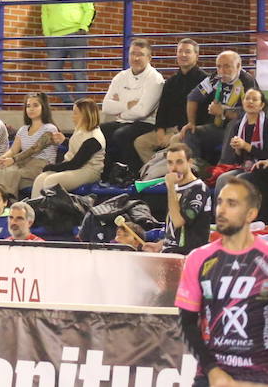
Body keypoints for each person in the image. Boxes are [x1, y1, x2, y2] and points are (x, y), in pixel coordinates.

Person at [175, 175, 268, 387]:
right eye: (220, 202)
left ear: (251, 214)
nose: (221, 210)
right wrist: (212, 371)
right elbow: (188, 323)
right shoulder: (197, 259)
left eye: (232, 203)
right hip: (212, 374)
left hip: (259, 375)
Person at [133, 38, 207, 164]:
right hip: (168, 130)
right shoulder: (171, 82)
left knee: (172, 145)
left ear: (196, 56)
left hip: (187, 131)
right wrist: (160, 131)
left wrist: (176, 132)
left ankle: (166, 171)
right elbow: (163, 109)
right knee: (140, 143)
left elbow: (202, 114)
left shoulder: (205, 81)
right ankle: (155, 172)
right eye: (180, 51)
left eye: (187, 52)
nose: (183, 55)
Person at [99, 38, 164, 176]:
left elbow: (142, 111)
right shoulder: (121, 77)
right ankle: (106, 175)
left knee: (121, 135)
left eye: (140, 54)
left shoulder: (155, 79)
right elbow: (106, 106)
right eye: (132, 53)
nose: (135, 58)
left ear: (149, 57)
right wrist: (128, 104)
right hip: (124, 122)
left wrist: (120, 110)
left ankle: (134, 174)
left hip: (146, 123)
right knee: (99, 132)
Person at [39, 0, 96, 93]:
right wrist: (47, 35)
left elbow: (90, 9)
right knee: (53, 74)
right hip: (55, 38)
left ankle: (80, 107)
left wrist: (83, 28)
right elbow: (44, 14)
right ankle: (69, 104)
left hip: (76, 34)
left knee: (78, 74)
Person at [30, 99, 106, 197]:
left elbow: (76, 163)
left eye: (75, 113)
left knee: (51, 181)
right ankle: (33, 210)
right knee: (40, 179)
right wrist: (64, 141)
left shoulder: (94, 138)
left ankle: (49, 210)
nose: (72, 116)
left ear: (85, 115)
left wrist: (51, 167)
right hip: (76, 167)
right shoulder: (81, 129)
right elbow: (80, 148)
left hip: (89, 171)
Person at [0, 93, 59, 198]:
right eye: (28, 106)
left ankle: (7, 205)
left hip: (41, 165)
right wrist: (3, 157)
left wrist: (13, 160)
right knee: (3, 168)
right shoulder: (23, 129)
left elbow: (34, 149)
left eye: (35, 105)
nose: (31, 109)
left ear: (44, 107)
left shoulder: (50, 128)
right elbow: (13, 150)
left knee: (10, 174)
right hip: (23, 164)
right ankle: (6, 204)